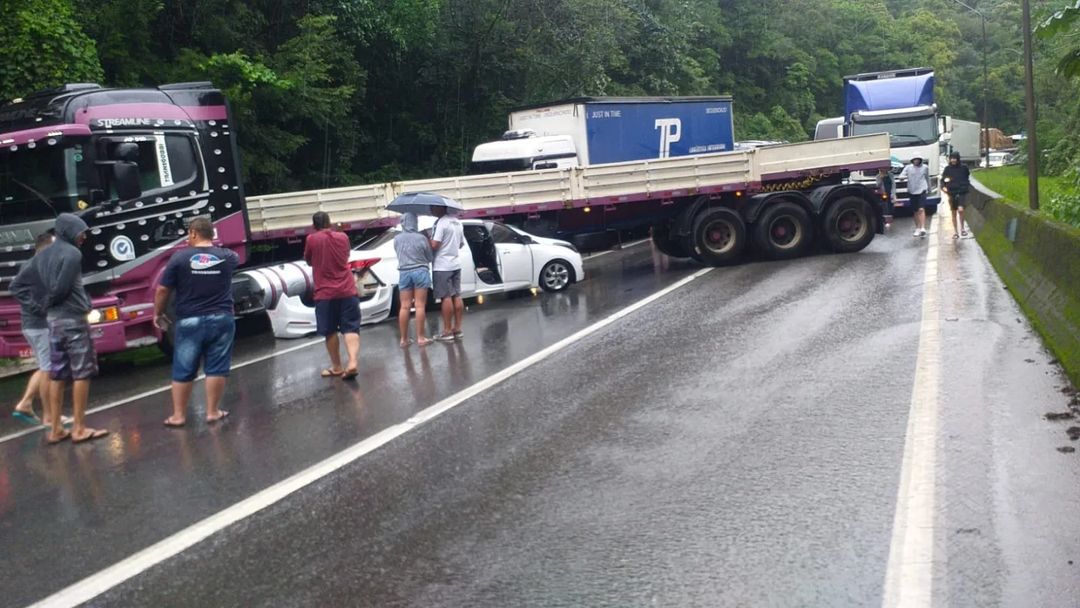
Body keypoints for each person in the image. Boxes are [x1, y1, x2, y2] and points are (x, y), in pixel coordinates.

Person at [155, 217, 240, 427]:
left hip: (189, 320)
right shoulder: (229, 256)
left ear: (193, 233)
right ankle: (212, 412)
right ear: (212, 234)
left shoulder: (178, 258)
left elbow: (163, 289)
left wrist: (158, 313)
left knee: (183, 367)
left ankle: (178, 416)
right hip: (222, 318)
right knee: (217, 366)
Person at [37, 213, 108, 443]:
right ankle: (79, 428)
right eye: (80, 232)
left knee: (58, 374)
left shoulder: (44, 253)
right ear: (68, 232)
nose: (84, 237)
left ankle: (56, 429)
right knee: (82, 372)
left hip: (53, 321)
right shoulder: (72, 254)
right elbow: (62, 288)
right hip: (73, 320)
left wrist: (43, 306)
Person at [9, 232, 70, 427]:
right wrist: (36, 307)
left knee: (44, 366)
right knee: (48, 369)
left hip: (35, 325)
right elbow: (15, 287)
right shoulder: (34, 265)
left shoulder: (41, 266)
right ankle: (50, 417)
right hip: (38, 326)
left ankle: (25, 403)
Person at [304, 211, 360, 379]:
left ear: (314, 225)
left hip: (325, 293)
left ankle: (336, 367)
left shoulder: (312, 239)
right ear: (330, 222)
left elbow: (308, 260)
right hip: (347, 289)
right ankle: (352, 362)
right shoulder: (343, 237)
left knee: (330, 330)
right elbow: (346, 255)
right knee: (350, 327)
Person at [393, 212, 434, 347]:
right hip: (420, 271)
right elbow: (430, 257)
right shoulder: (421, 238)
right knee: (419, 305)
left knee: (404, 306)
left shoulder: (397, 239)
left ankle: (404, 340)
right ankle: (421, 338)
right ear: (414, 222)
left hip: (404, 273)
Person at [430, 206, 465, 342]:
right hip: (456, 264)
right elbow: (461, 244)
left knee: (446, 297)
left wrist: (428, 238)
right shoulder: (457, 222)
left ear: (439, 208)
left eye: (432, 208)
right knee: (457, 295)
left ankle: (447, 331)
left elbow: (435, 245)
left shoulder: (441, 223)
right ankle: (457, 328)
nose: (431, 210)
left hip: (442, 265)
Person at [941, 151, 972, 239]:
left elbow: (967, 177)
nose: (953, 160)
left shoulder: (964, 168)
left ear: (958, 159)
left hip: (961, 192)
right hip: (951, 193)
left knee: (961, 209)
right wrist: (944, 187)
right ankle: (955, 232)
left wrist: (965, 186)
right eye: (952, 158)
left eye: (955, 158)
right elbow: (943, 180)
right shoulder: (947, 169)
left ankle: (962, 229)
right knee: (953, 212)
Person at [899, 157, 931, 238]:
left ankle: (923, 228)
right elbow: (901, 175)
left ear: (920, 160)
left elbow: (927, 178)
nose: (916, 161)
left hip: (922, 190)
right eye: (914, 159)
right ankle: (918, 228)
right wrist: (902, 177)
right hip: (912, 191)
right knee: (915, 211)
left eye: (918, 159)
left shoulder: (925, 167)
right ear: (912, 160)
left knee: (921, 209)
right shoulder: (908, 167)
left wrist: (929, 189)